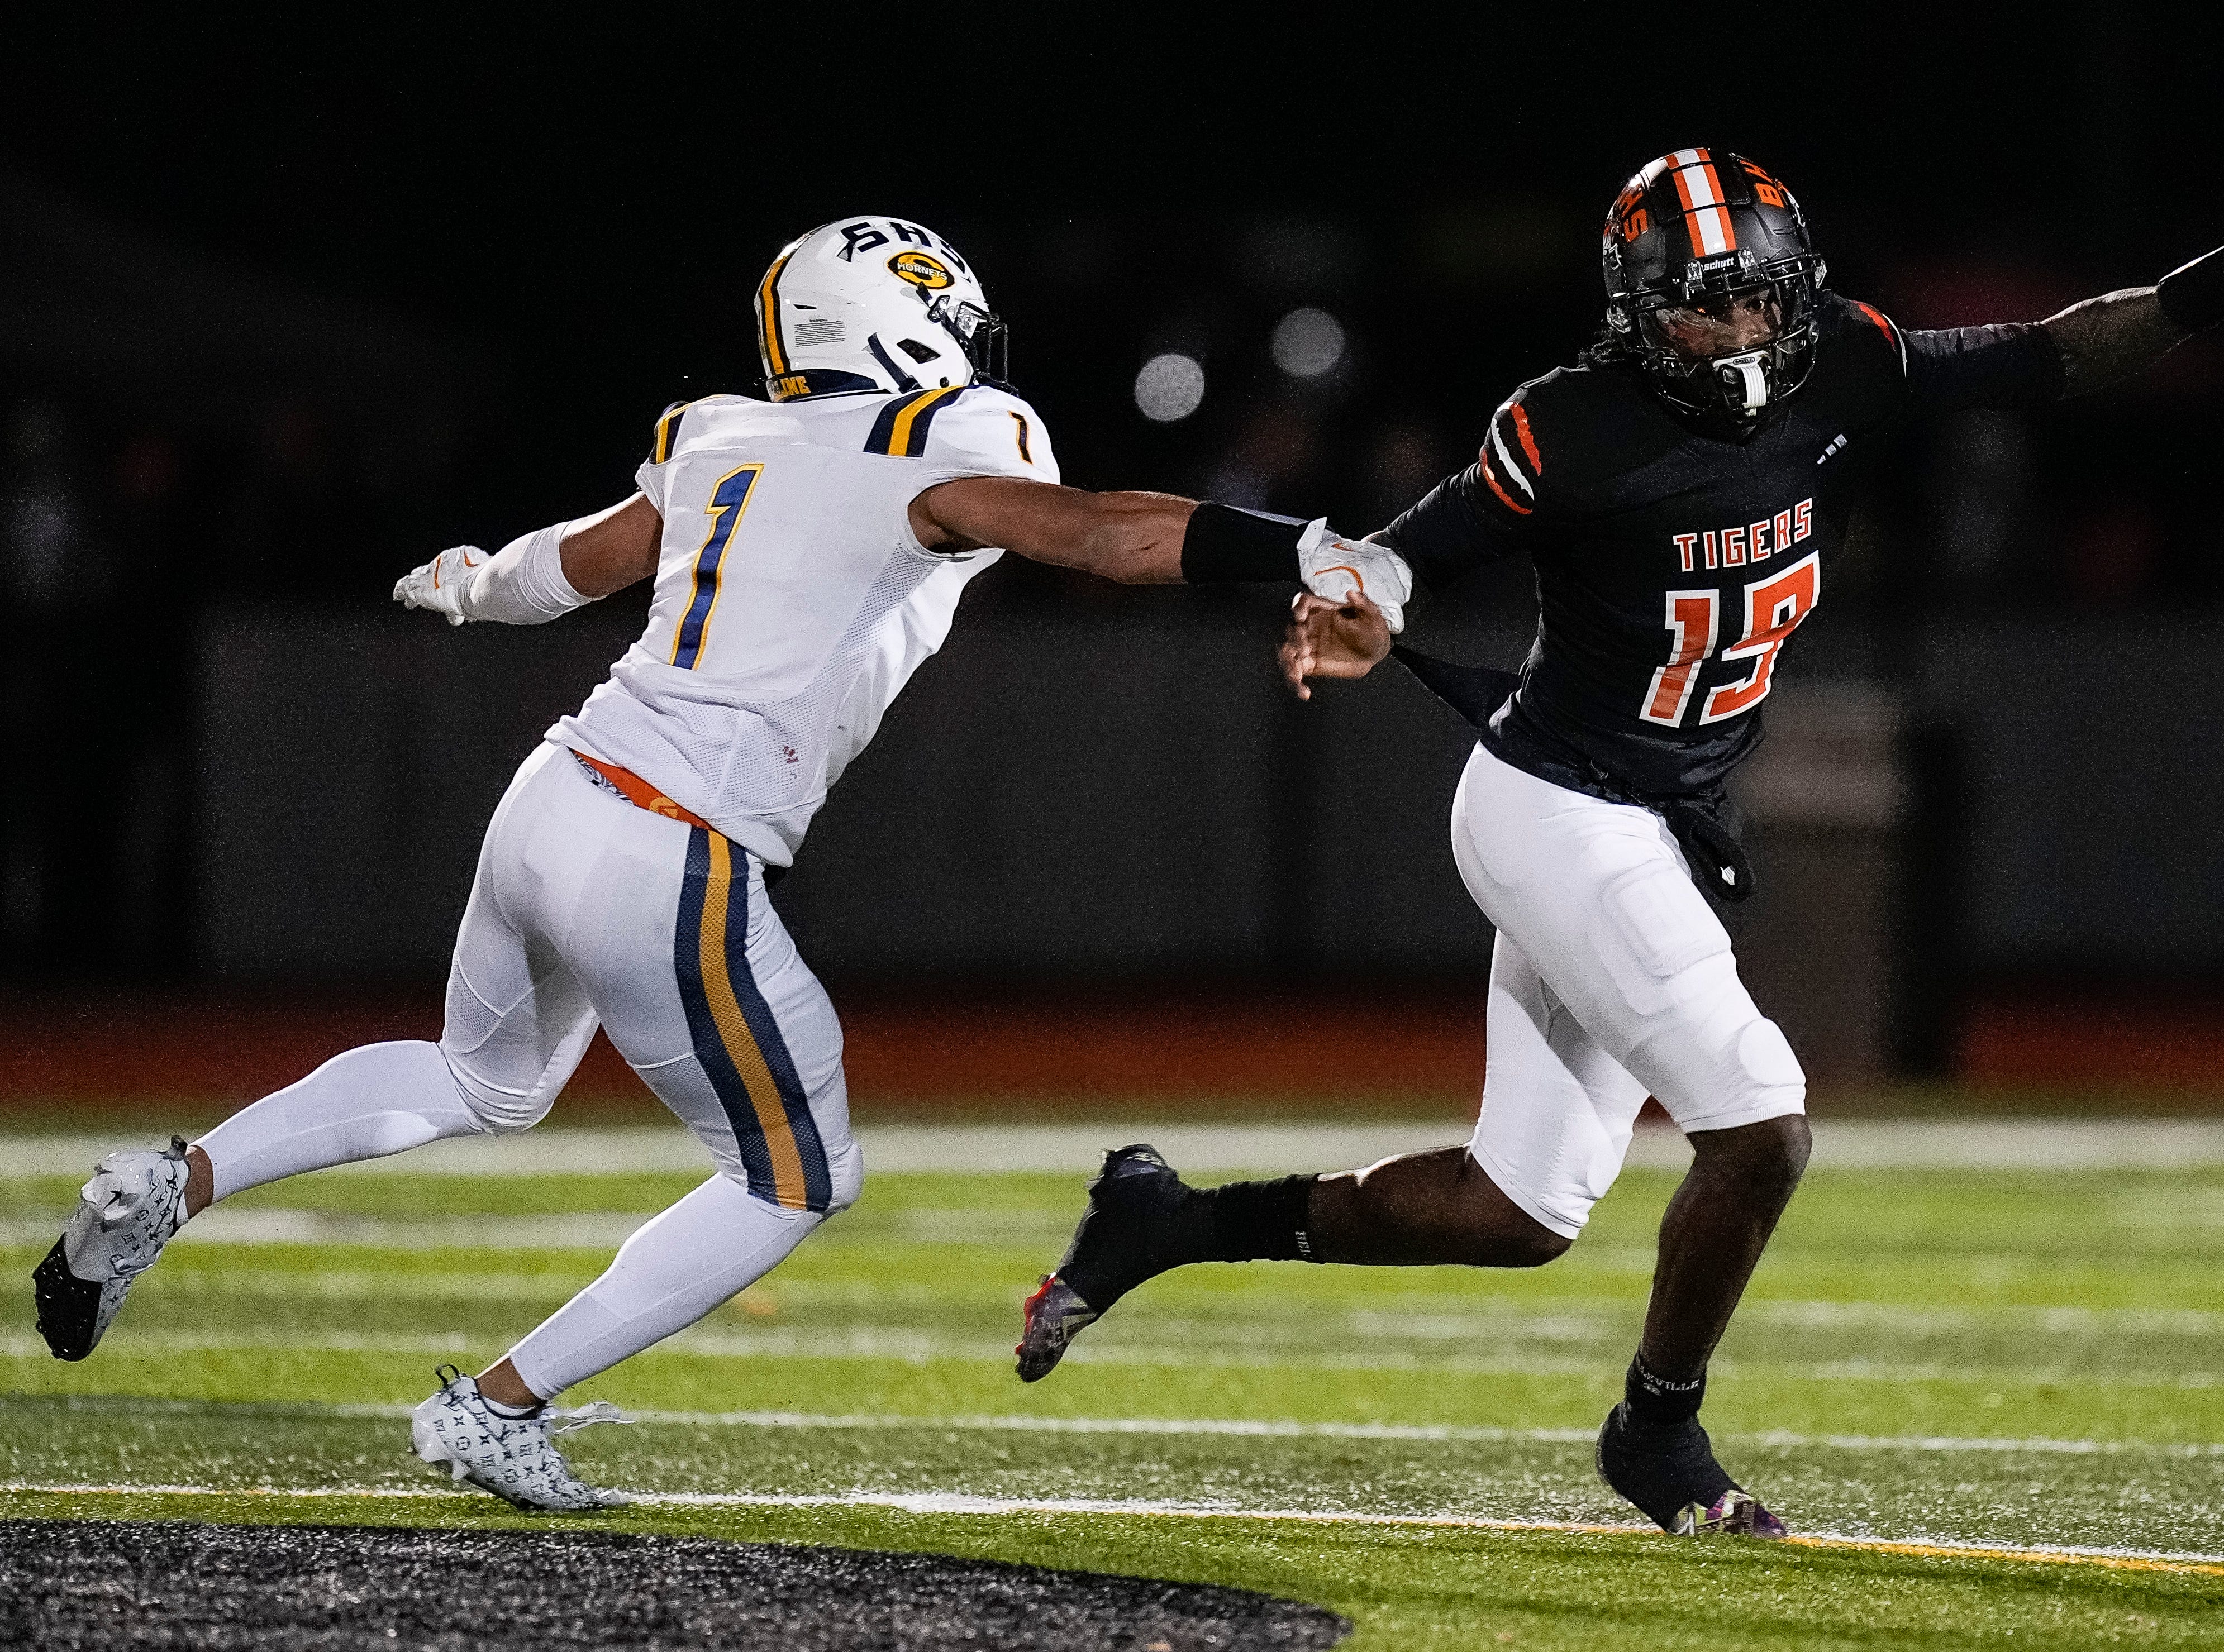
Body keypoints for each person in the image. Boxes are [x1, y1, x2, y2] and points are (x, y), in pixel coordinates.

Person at [31, 214, 1390, 1511]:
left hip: (556, 790)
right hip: (670, 846)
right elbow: (1097, 532)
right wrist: (1303, 549)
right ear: (906, 325)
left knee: (476, 1080)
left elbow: (568, 568)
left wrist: (467, 577)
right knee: (797, 1176)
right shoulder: (939, 440)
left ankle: (169, 1182)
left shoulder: (718, 434)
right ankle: (499, 1404)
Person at [1016, 149, 2224, 1536]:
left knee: (1518, 1213)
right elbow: (1404, 548)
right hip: (1553, 805)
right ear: (1632, 312)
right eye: (1700, 307)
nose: (1739, 334)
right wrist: (1353, 606)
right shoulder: (1571, 427)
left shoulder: (1848, 362)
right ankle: (1656, 1431)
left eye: (1757, 302)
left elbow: (2044, 358)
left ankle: (1162, 1221)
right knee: (1760, 1123)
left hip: (1659, 824)